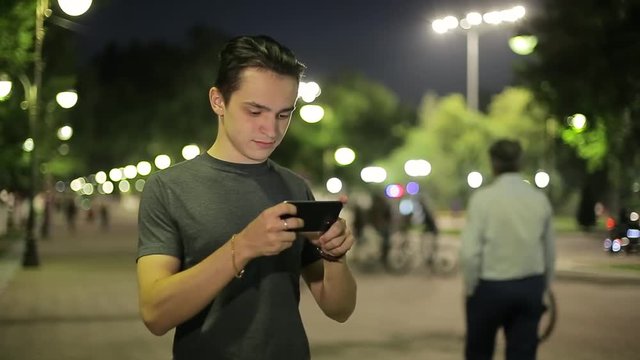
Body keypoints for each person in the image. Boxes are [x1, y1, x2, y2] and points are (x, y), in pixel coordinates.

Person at [136, 35, 357, 360]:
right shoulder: (169, 188)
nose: (271, 129)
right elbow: (155, 314)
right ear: (218, 100)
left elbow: (339, 309)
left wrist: (335, 256)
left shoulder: (295, 188)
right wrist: (243, 247)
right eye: (255, 111)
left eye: (284, 114)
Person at [460, 139, 555, 360]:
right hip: (528, 285)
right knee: (522, 354)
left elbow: (469, 253)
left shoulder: (482, 200)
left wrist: (471, 287)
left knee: (479, 352)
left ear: (493, 163)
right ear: (520, 162)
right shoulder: (538, 199)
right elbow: (549, 252)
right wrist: (543, 288)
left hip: (489, 287)